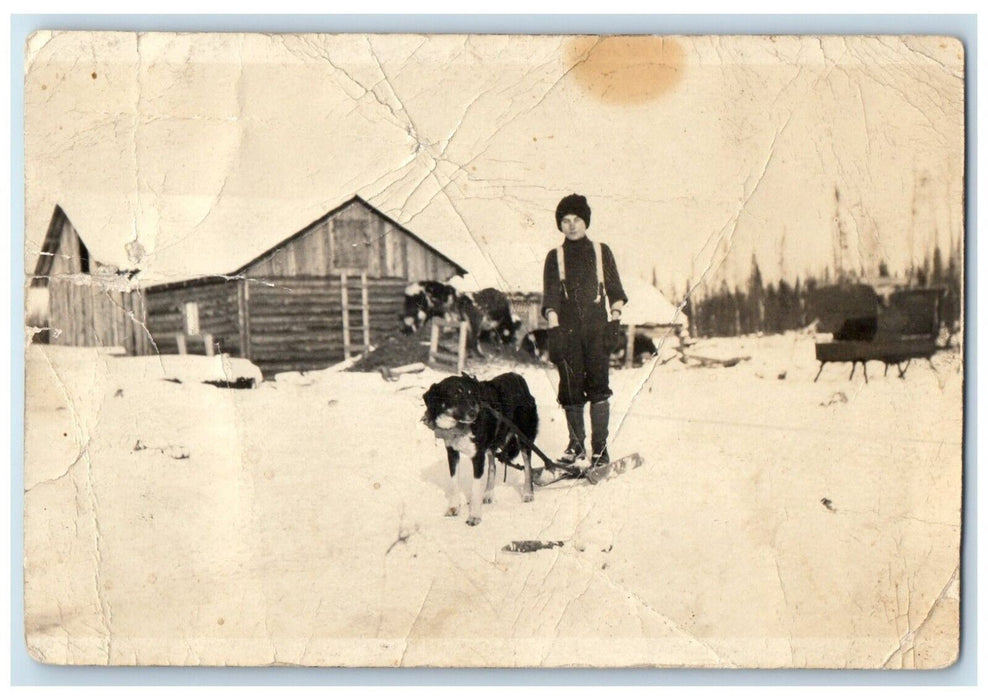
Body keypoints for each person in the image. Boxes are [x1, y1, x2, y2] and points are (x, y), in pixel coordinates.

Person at [541, 194, 627, 473]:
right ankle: (576, 446)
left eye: (577, 219)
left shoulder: (602, 251)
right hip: (566, 330)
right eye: (565, 221)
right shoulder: (555, 256)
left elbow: (615, 291)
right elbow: (551, 297)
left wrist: (614, 320)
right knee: (570, 386)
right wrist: (553, 330)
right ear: (560, 225)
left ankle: (600, 450)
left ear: (585, 221)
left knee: (599, 386)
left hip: (597, 328)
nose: (572, 226)